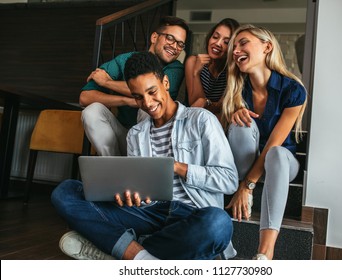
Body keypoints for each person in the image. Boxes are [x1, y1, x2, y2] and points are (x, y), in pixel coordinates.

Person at [51, 52, 239, 260]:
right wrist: (133, 198)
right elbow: (140, 194)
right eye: (138, 97)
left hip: (192, 214)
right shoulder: (136, 134)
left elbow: (229, 180)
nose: (148, 103)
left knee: (218, 223)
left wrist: (178, 167)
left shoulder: (201, 119)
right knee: (66, 191)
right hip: (149, 214)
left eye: (152, 92)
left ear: (165, 83)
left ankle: (128, 252)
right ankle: (146, 259)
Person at [221, 24, 307, 260]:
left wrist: (247, 187)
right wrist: (231, 116)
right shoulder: (236, 89)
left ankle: (265, 253)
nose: (235, 50)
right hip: (244, 166)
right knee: (240, 124)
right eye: (234, 46)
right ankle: (232, 187)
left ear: (267, 47)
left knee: (276, 154)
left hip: (282, 164)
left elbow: (273, 145)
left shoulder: (293, 89)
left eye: (243, 43)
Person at [80, 16, 189, 156]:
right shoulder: (125, 59)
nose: (175, 46)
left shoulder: (176, 68)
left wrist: (107, 82)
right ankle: (112, 165)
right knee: (92, 111)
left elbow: (157, 96)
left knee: (147, 107)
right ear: (154, 37)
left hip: (155, 146)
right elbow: (85, 97)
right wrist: (128, 101)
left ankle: (143, 167)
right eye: (170, 38)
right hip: (123, 134)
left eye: (180, 44)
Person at [185, 18, 239, 119]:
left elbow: (223, 108)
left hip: (218, 122)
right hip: (194, 119)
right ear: (209, 38)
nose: (218, 43)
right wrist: (196, 73)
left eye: (226, 42)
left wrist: (206, 103)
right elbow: (195, 105)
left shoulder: (233, 71)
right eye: (215, 37)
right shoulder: (192, 61)